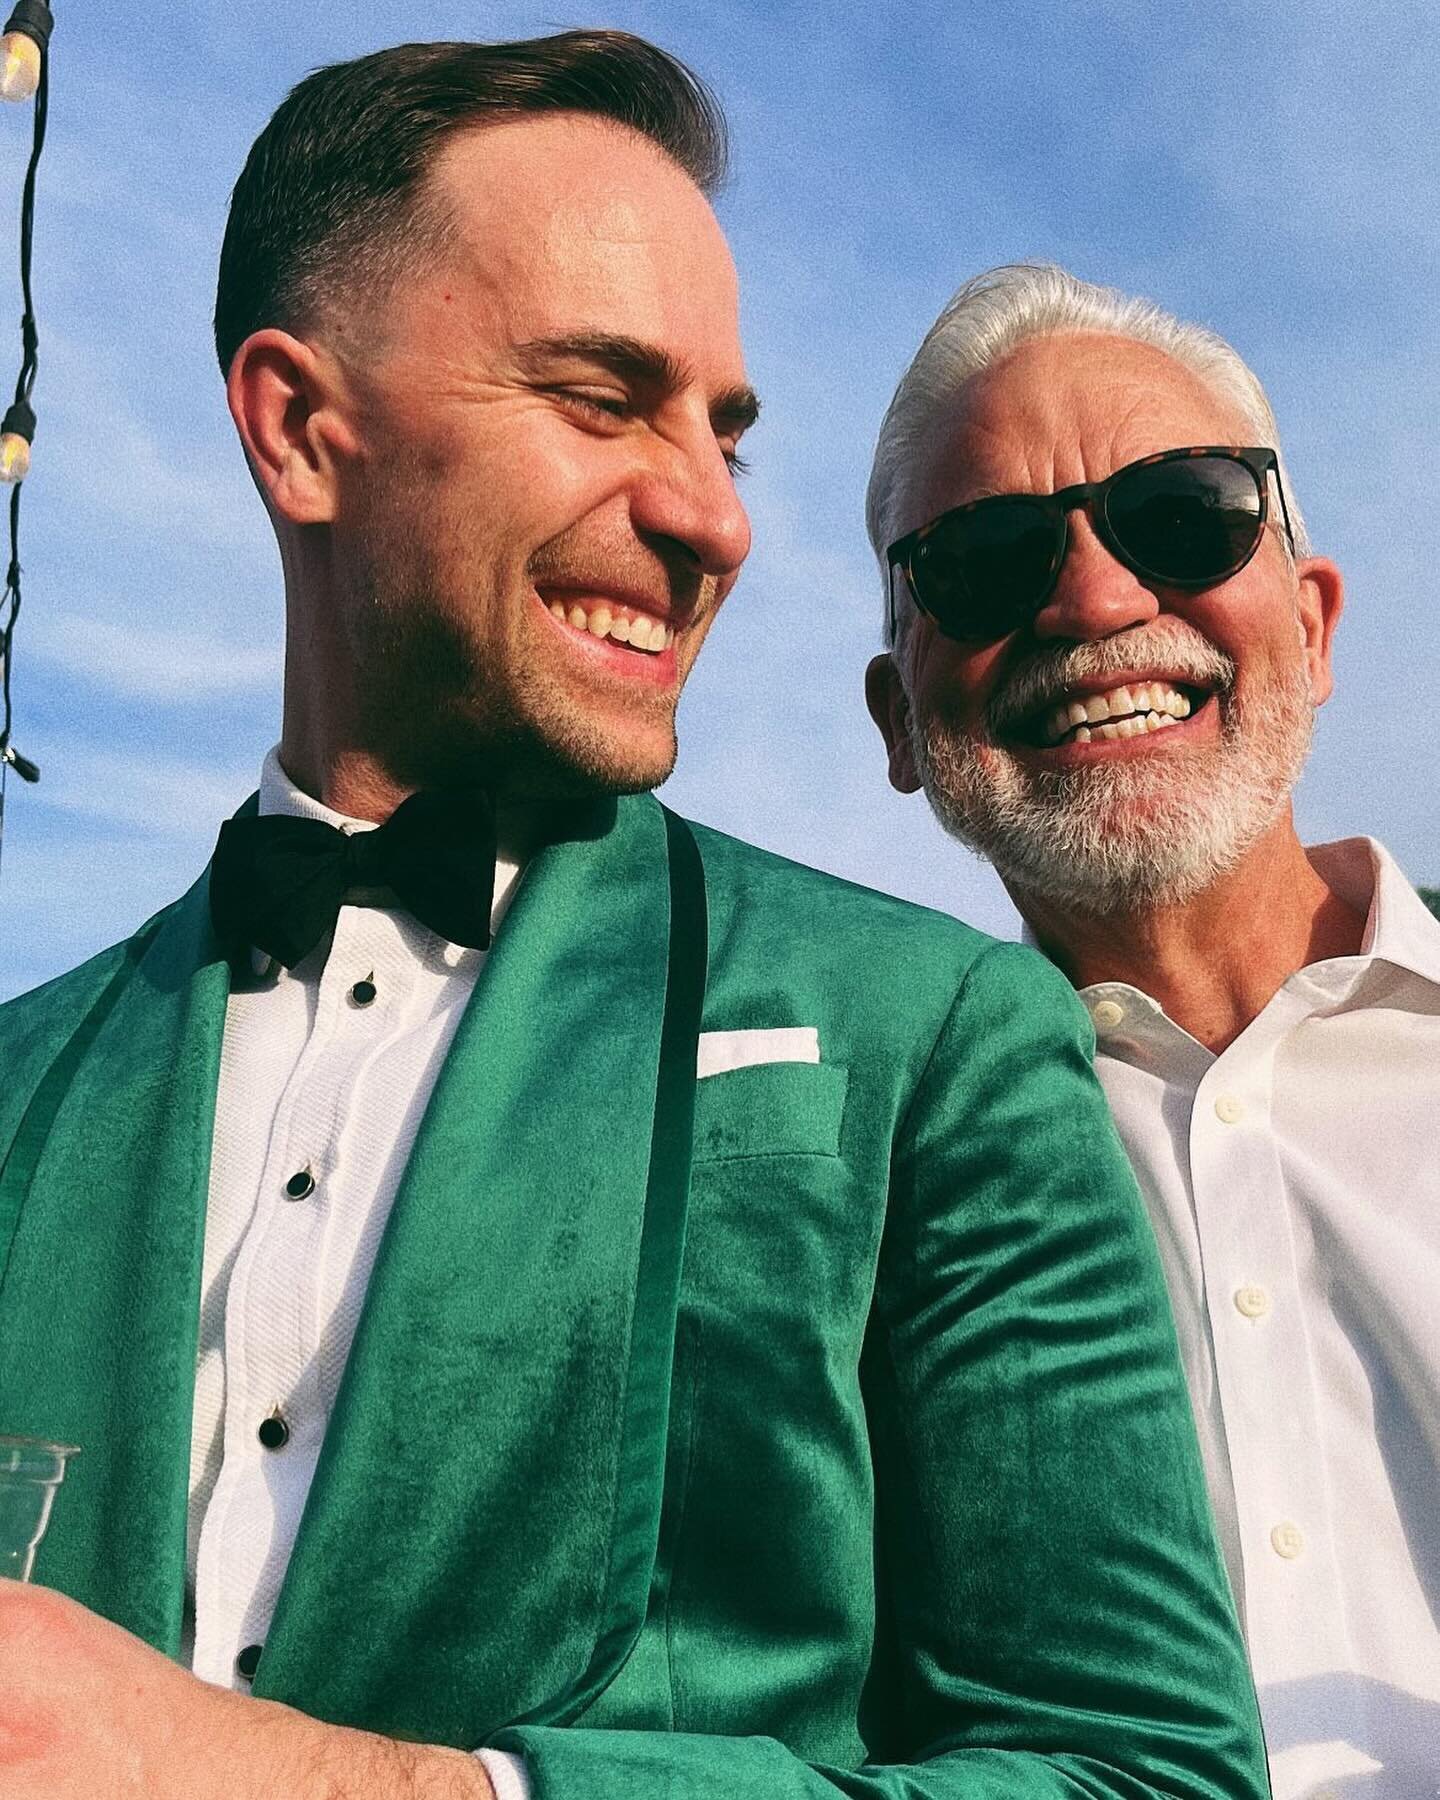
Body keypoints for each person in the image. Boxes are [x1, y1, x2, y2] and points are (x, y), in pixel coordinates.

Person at [0, 48, 1267, 1800]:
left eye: (723, 432)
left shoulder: (935, 1042)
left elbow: (1143, 1776)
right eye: (605, 401)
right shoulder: (19, 1087)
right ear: (301, 427)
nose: (714, 517)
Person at [864, 261, 1440, 1800]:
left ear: (1313, 626)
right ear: (900, 727)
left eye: (1183, 516)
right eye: (984, 562)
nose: (1099, 600)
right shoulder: (860, 1171)